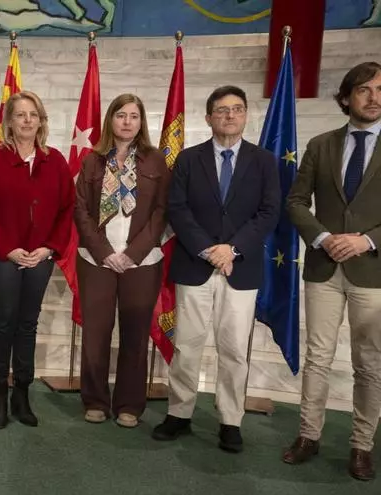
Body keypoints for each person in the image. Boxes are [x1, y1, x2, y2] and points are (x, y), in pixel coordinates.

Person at [151, 85, 280, 453]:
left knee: (235, 349)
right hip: (196, 263)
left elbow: (269, 211)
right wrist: (209, 250)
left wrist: (232, 249)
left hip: (240, 269)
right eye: (222, 110)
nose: (229, 116)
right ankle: (179, 413)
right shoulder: (188, 159)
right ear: (208, 117)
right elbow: (177, 209)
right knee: (187, 345)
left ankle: (230, 420)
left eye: (237, 109)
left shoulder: (264, 161)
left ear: (246, 116)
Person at [283, 61, 381, 481]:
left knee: (369, 363)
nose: (374, 98)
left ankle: (362, 445)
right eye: (364, 90)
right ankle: (309, 435)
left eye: (380, 90)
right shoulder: (321, 144)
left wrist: (366, 240)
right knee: (317, 357)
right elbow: (296, 201)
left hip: (372, 270)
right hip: (324, 267)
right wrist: (323, 237)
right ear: (346, 97)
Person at [0, 91, 75, 429]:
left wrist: (49, 248)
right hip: (2, 254)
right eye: (20, 115)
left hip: (41, 255)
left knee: (28, 322)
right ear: (9, 122)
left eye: (34, 115)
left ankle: (22, 393)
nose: (28, 120)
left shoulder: (55, 161)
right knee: (4, 320)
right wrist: (7, 249)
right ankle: (0, 393)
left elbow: (67, 209)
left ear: (41, 121)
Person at [73, 93, 170, 428]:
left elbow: (161, 212)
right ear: (110, 119)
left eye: (134, 116)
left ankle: (129, 404)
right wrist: (104, 252)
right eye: (121, 115)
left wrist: (132, 254)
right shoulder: (92, 161)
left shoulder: (156, 161)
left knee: (135, 334)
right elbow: (81, 211)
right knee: (96, 334)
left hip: (141, 261)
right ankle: (95, 400)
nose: (127, 122)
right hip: (95, 259)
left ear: (141, 122)